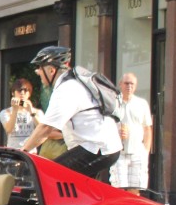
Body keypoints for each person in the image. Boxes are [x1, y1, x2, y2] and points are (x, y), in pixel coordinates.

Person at [19, 46, 122, 181]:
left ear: (51, 70)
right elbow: (48, 130)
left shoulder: (67, 89)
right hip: (97, 147)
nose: (37, 72)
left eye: (40, 67)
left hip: (96, 148)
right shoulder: (72, 84)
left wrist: (23, 152)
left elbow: (45, 128)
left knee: (49, 176)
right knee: (77, 188)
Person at [110, 72, 153, 194]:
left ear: (136, 86)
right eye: (126, 83)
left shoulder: (142, 104)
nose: (129, 86)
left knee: (135, 190)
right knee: (118, 189)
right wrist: (116, 132)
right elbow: (105, 126)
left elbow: (147, 129)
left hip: (137, 153)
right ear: (120, 84)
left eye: (132, 84)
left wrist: (145, 152)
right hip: (119, 153)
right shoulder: (113, 103)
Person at [0, 78, 43, 149]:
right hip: (13, 150)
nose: (22, 93)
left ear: (29, 93)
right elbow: (9, 129)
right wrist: (15, 110)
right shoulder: (5, 112)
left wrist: (31, 112)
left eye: (25, 91)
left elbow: (42, 129)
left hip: (30, 151)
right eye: (19, 90)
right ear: (13, 93)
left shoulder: (37, 112)